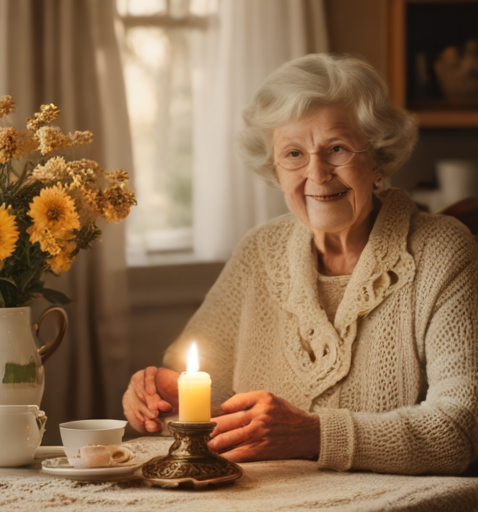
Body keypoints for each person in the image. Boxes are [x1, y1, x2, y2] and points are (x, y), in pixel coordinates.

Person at [123, 54, 478, 475]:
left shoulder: (443, 250)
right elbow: (199, 393)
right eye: (294, 153)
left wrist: (314, 434)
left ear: (378, 160)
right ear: (274, 169)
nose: (318, 173)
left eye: (337, 149)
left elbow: (460, 428)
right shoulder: (260, 249)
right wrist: (163, 398)